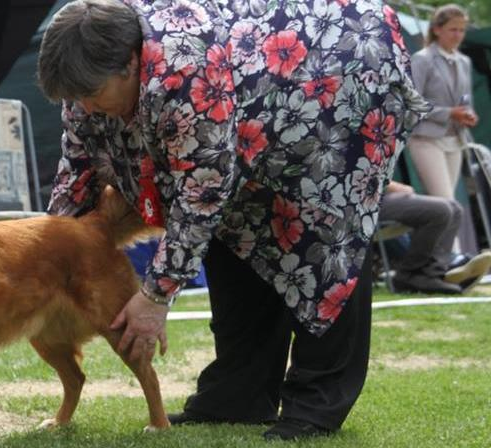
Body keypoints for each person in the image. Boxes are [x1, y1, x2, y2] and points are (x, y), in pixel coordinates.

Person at [37, 0, 428, 441]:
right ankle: (238, 395)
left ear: (130, 63)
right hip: (248, 109)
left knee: (323, 243)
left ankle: (316, 402)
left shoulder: (185, 70)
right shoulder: (84, 83)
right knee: (235, 232)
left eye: (92, 95)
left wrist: (155, 295)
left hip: (342, 81)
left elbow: (200, 194)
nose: (85, 108)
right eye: (75, 99)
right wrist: (46, 259)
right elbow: (78, 168)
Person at [407, 4, 477, 202]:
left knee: (449, 206)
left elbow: (465, 98)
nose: (458, 35)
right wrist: (449, 113)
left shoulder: (464, 61)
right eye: (453, 29)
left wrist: (467, 112)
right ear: (437, 29)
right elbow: (413, 104)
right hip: (426, 139)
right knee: (447, 204)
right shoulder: (422, 59)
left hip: (454, 139)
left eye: (462, 30)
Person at [379, 180, 491, 294]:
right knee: (441, 211)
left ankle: (434, 272)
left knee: (455, 209)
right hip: (366, 203)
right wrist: (393, 186)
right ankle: (411, 274)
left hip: (378, 195)